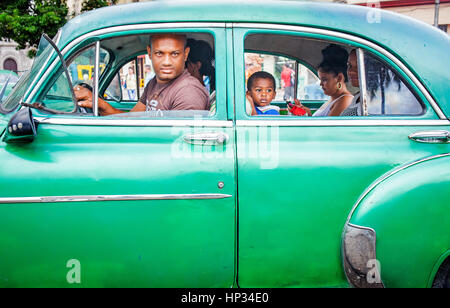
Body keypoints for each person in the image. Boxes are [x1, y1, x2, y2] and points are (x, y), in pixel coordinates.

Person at [74, 33, 209, 116]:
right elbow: (133, 118)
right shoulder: (154, 83)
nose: (167, 62)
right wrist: (98, 103)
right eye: (159, 53)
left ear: (185, 54)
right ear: (149, 53)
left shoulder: (188, 92)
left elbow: (173, 145)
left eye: (174, 54)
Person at [288, 44, 353, 117]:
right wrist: (307, 113)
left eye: (324, 80)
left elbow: (327, 128)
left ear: (339, 78)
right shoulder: (333, 99)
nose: (321, 84)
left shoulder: (345, 100)